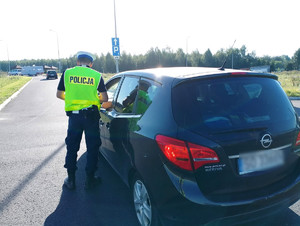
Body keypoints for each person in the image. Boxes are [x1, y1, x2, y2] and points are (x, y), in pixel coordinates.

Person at [56, 51, 108, 190]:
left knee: (72, 147)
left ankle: (71, 180)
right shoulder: (96, 75)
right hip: (91, 117)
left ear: (78, 62)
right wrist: (94, 100)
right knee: (92, 148)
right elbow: (104, 98)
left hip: (74, 118)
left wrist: (72, 99)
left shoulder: (67, 73)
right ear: (91, 64)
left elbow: (59, 94)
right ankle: (90, 180)